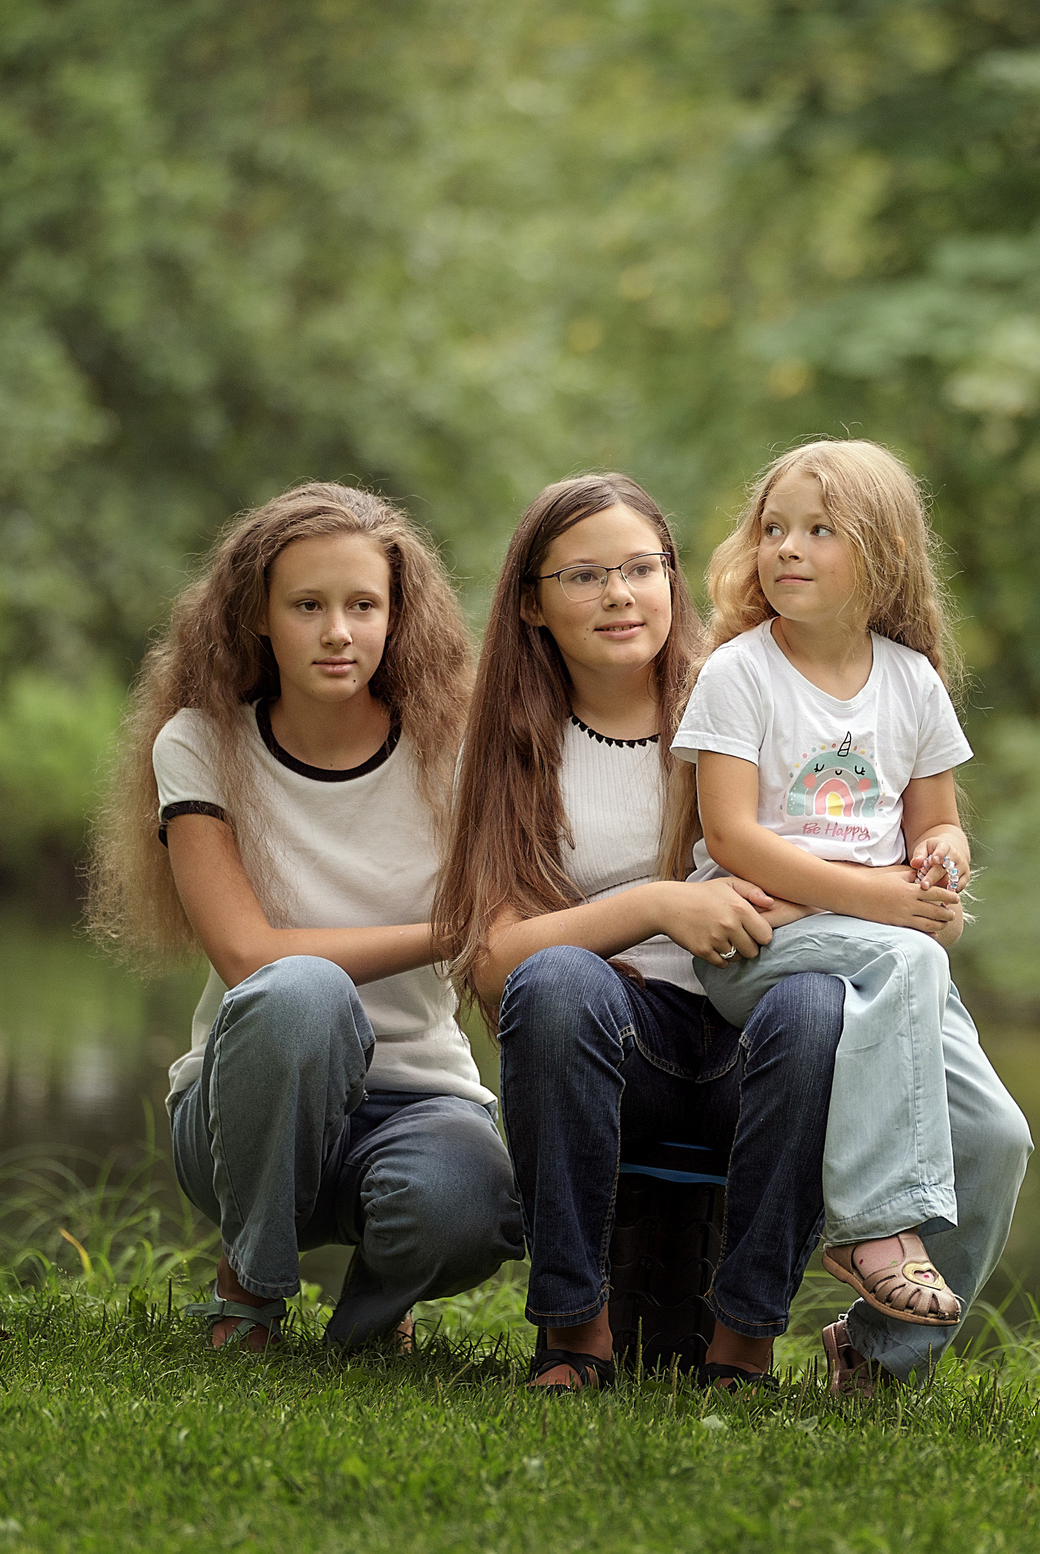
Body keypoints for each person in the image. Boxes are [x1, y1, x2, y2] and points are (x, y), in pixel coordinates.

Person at [433, 473, 844, 1394]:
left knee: (819, 1003)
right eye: (583, 575)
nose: (619, 594)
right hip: (618, 1048)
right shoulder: (507, 743)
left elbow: (840, 857)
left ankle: (742, 1346)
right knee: (554, 981)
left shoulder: (748, 699)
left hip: (759, 1039)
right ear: (532, 604)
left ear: (671, 576)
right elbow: (492, 962)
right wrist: (658, 905)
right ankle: (575, 1333)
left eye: (640, 568)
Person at [88, 482, 520, 1351]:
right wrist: (447, 933)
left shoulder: (458, 747)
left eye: (363, 605)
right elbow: (249, 955)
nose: (338, 632)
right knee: (300, 992)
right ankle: (249, 1286)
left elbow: (507, 929)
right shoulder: (199, 742)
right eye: (308, 605)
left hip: (417, 1097)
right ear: (257, 614)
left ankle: (369, 1324)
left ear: (397, 615)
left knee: (470, 1205)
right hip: (244, 1111)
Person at [676, 438, 1032, 1391]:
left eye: (819, 530)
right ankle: (874, 1228)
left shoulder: (910, 681)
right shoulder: (740, 673)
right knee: (913, 957)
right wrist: (885, 897)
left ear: (883, 554)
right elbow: (732, 837)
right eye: (773, 528)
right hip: (761, 943)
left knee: (998, 1140)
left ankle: (878, 1355)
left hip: (882, 950)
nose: (786, 547)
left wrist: (943, 859)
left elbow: (937, 822)